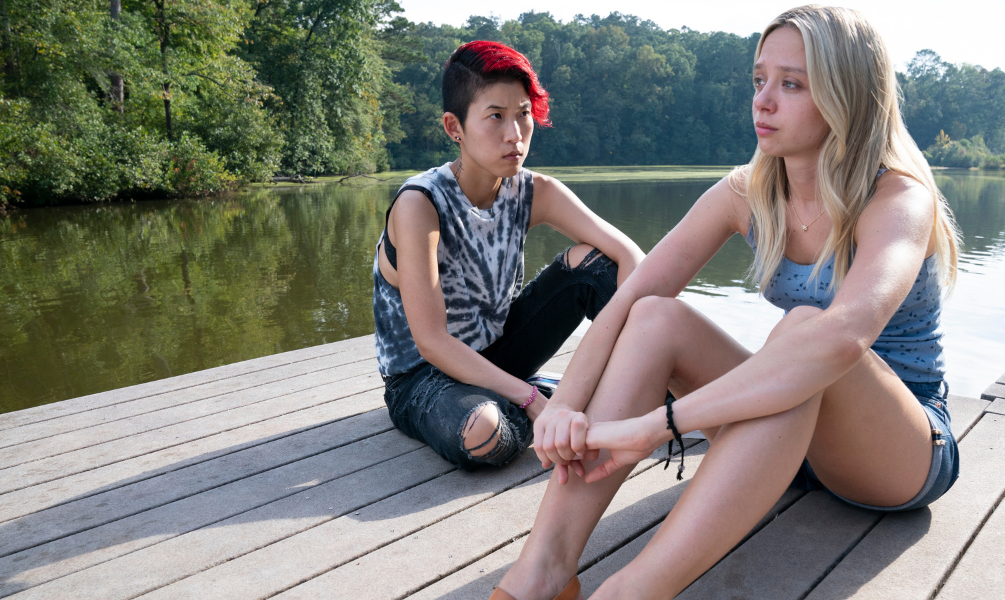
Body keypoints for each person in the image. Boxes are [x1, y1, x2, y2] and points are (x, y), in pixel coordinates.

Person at [491, 6, 963, 600]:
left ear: (848, 96)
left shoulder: (898, 198)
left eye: (791, 84)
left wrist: (656, 427)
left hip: (899, 453)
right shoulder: (749, 190)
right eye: (759, 80)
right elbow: (630, 295)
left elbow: (843, 339)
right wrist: (565, 406)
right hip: (791, 440)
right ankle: (543, 571)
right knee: (655, 316)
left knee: (805, 330)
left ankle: (632, 592)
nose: (763, 101)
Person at [373, 40, 643, 472]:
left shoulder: (535, 191)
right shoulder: (420, 203)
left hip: (499, 354)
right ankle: (562, 408)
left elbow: (631, 258)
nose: (514, 134)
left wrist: (634, 351)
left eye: (523, 115)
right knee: (484, 436)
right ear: (453, 127)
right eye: (495, 116)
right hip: (423, 377)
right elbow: (432, 341)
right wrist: (532, 398)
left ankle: (655, 388)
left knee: (593, 265)